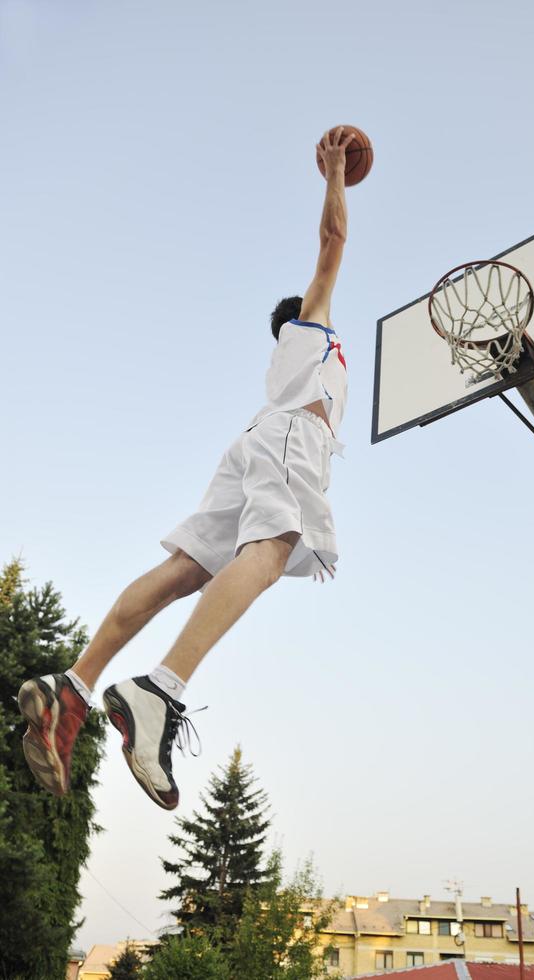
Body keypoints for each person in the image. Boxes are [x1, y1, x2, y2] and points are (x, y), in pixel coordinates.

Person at [18, 127, 354, 810]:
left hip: (254, 443)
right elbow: (332, 244)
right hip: (291, 441)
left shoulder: (287, 360)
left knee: (188, 569)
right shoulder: (314, 330)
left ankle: (73, 688)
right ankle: (158, 690)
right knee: (276, 545)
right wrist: (336, 175)